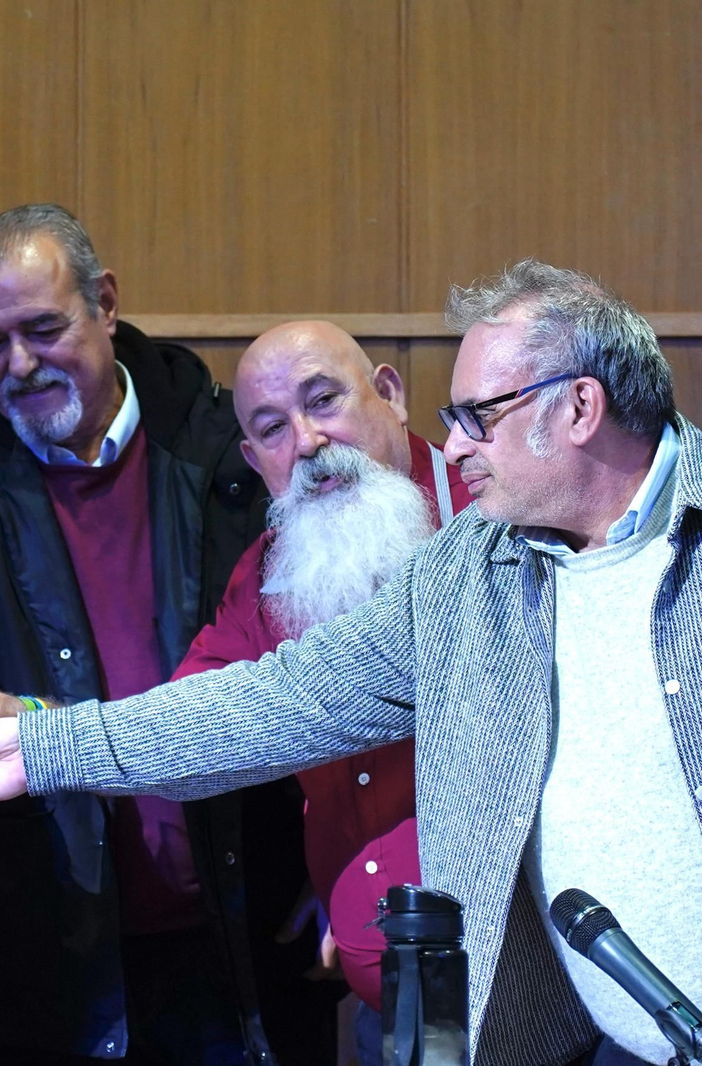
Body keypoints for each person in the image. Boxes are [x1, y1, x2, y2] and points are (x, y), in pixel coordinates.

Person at [0, 260, 702, 1066]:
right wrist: (41, 744)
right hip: (583, 1038)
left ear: (578, 408)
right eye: (454, 422)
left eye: (479, 420)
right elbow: (265, 705)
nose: (457, 449)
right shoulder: (474, 574)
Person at [0, 204, 297, 1065]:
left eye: (43, 328)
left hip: (250, 930)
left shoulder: (229, 448)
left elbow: (309, 668)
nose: (19, 366)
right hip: (50, 955)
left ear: (105, 303)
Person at [169, 321, 471, 1065]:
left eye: (324, 401)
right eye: (272, 428)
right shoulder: (274, 566)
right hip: (389, 1007)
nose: (306, 441)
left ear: (391, 395)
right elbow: (196, 716)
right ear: (253, 460)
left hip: (525, 998)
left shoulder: (497, 515)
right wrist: (37, 726)